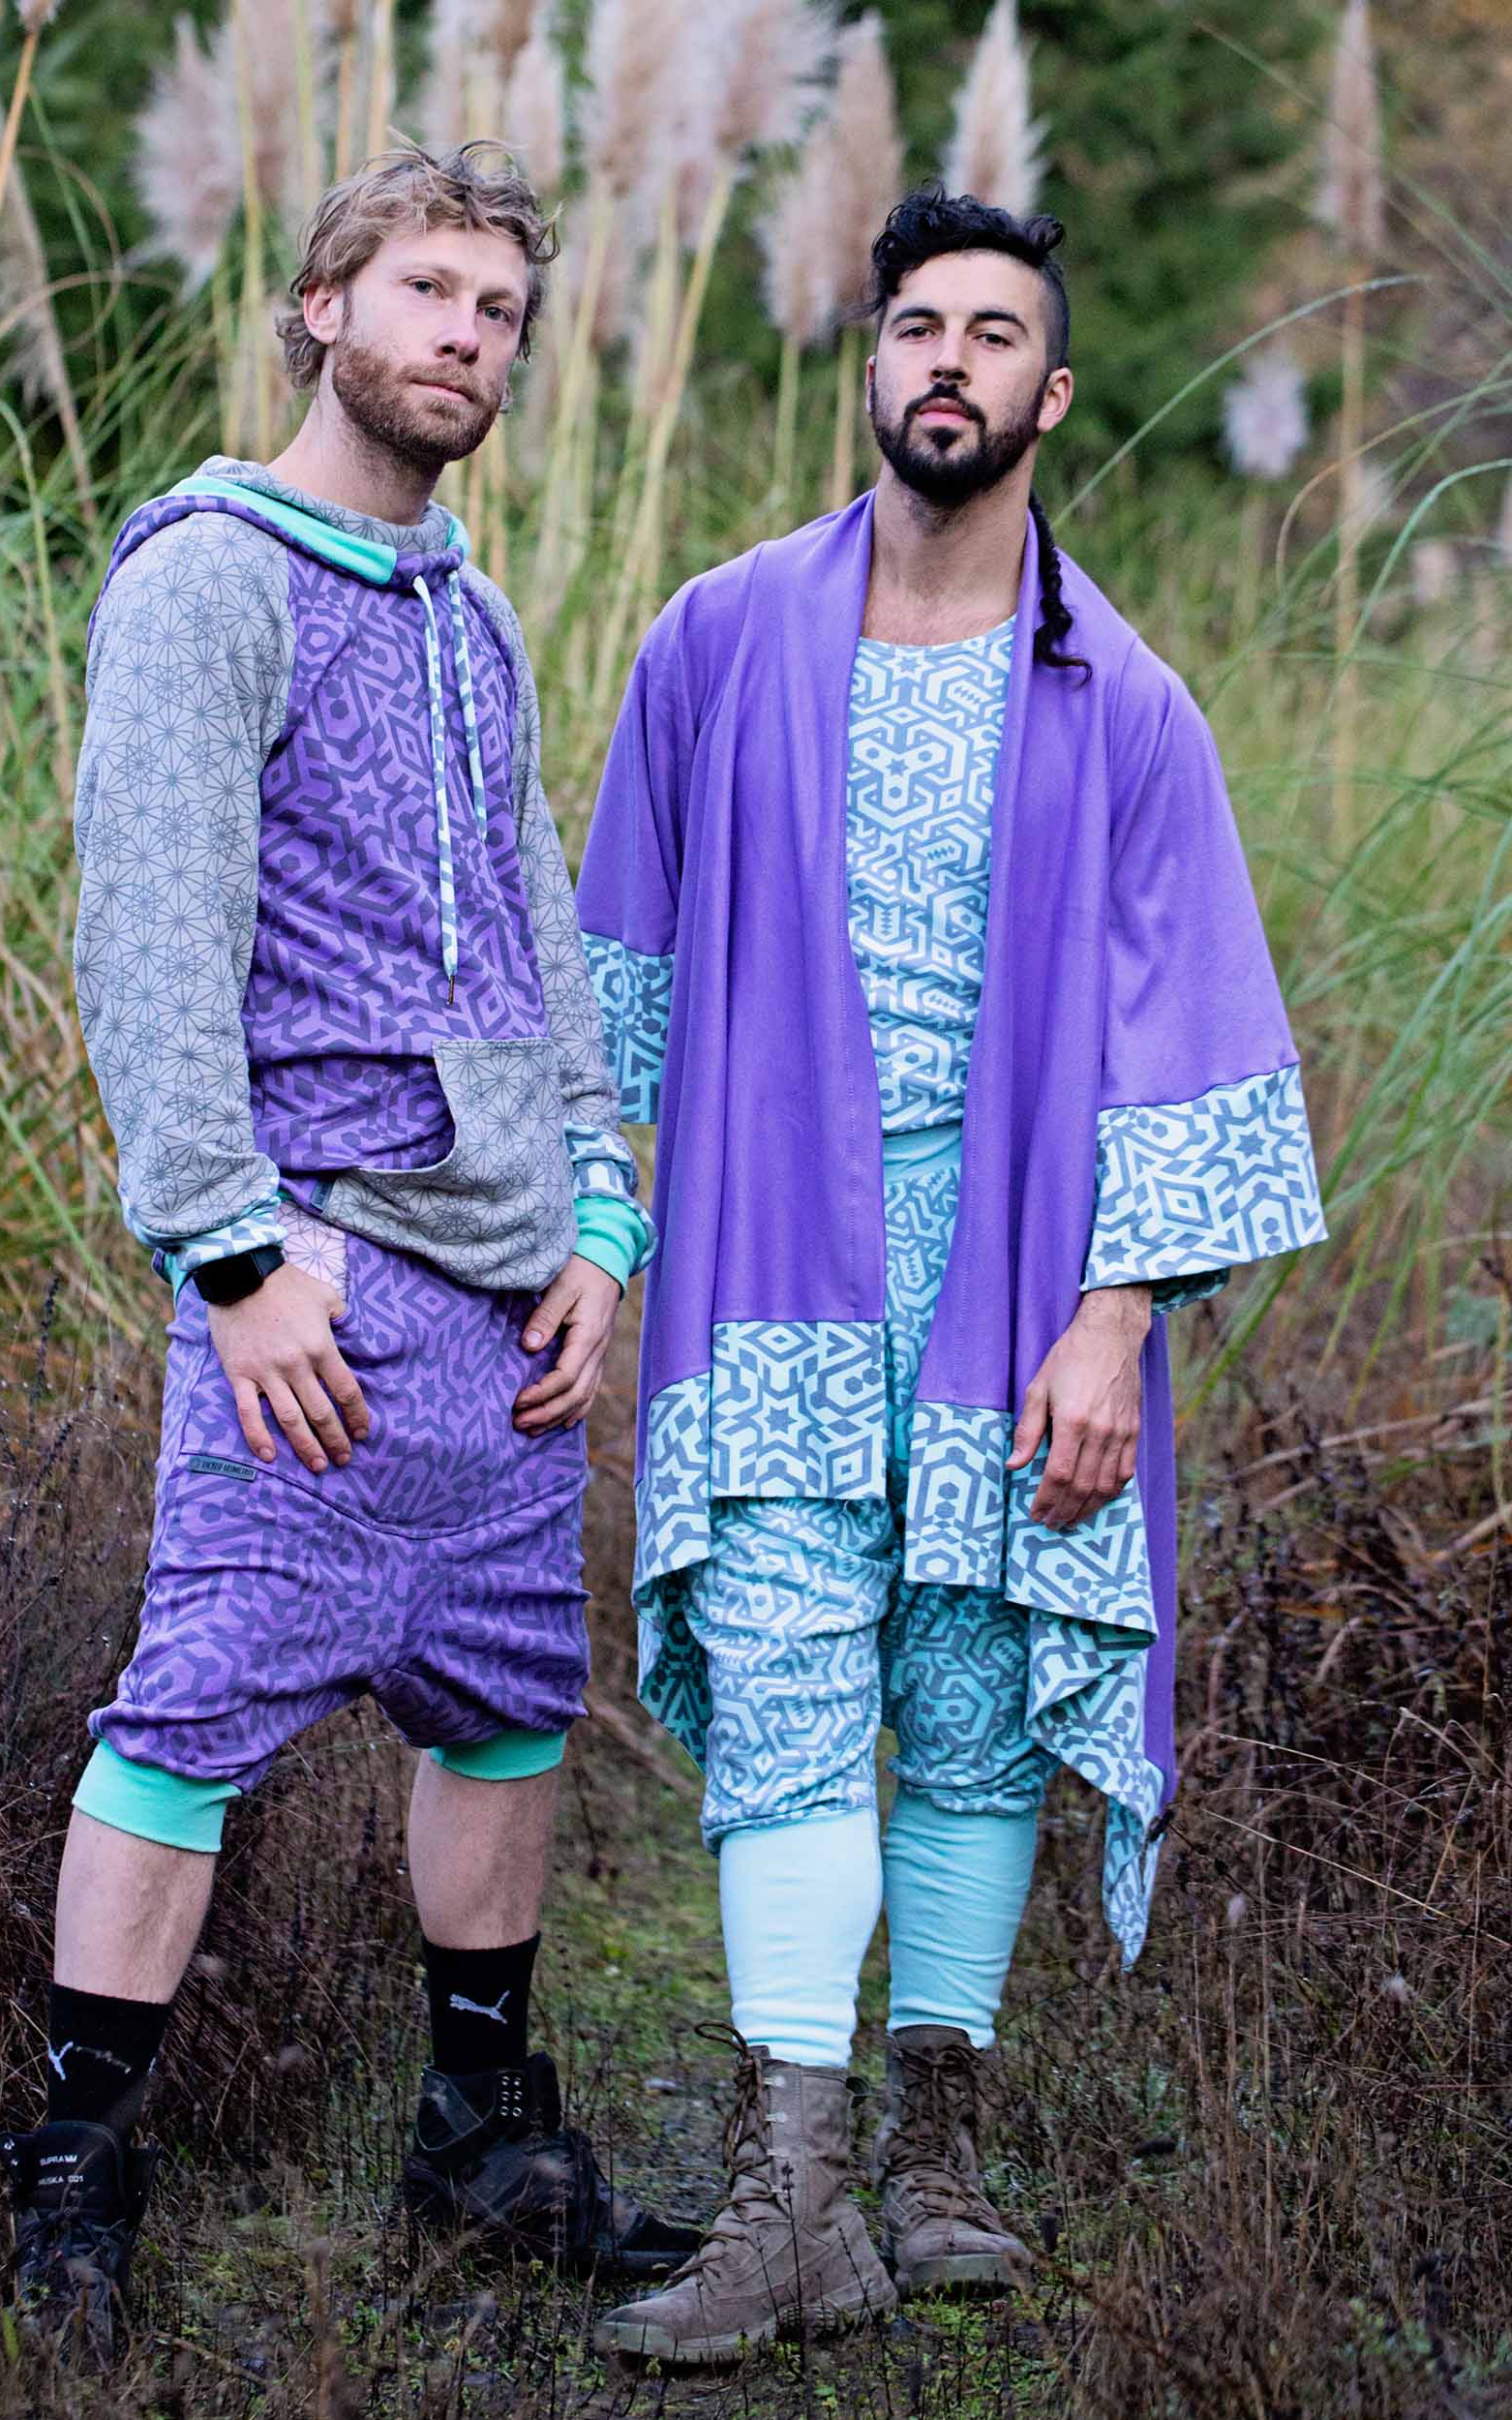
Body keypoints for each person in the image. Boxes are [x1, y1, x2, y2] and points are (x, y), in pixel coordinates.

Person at [577, 186, 1328, 2365]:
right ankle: (785, 2191)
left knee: (980, 1700)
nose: (949, 362)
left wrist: (1116, 1316)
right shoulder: (718, 638)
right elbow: (612, 985)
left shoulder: (1130, 706)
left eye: (994, 334)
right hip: (769, 1243)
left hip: (1016, 1271)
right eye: (917, 324)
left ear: (1049, 394)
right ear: (873, 363)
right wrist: (603, 1238)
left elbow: (1191, 1028)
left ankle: (935, 2146)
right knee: (800, 1686)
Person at [0, 143, 695, 2361]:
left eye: (496, 307)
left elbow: (536, 942)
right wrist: (227, 1251)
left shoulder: (471, 611)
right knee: (194, 1701)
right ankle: (72, 2168)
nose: (464, 337)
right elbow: (151, 932)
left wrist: (600, 1211)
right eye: (425, 291)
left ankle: (481, 2138)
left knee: (503, 1703)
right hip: (312, 1268)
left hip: (502, 1289)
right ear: (321, 307)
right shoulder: (214, 576)